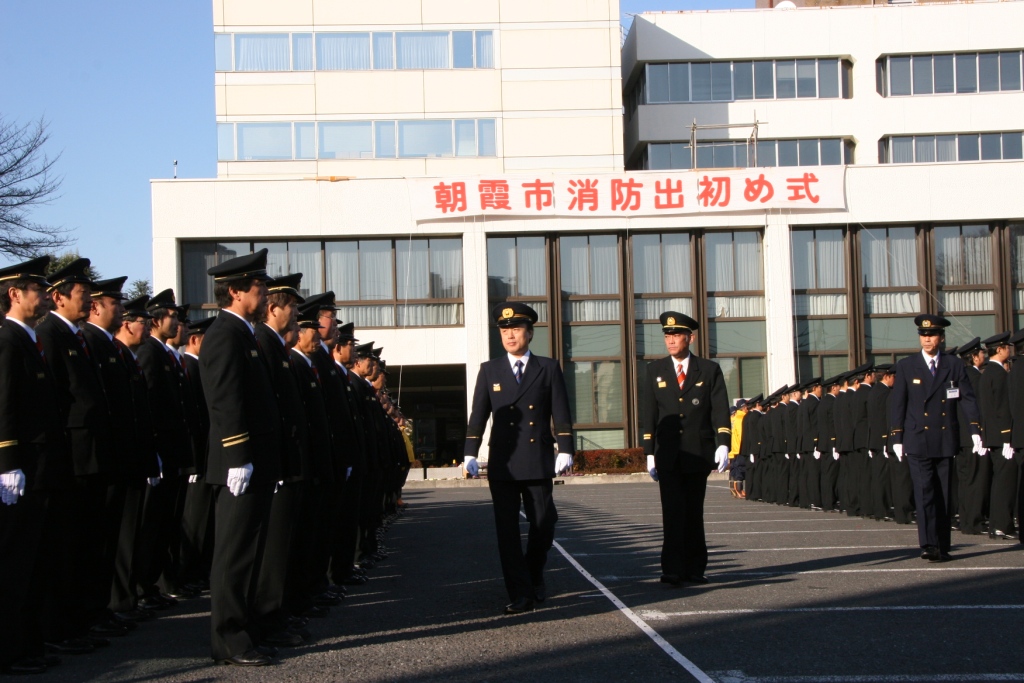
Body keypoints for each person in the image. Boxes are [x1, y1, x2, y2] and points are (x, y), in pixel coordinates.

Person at [464, 302, 574, 614]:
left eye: (515, 329)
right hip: (504, 461)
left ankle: (534, 572)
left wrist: (565, 447)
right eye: (504, 329)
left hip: (537, 458)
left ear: (529, 332)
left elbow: (561, 411)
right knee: (507, 530)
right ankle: (520, 591)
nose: (510, 335)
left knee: (543, 523)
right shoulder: (490, 370)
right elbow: (478, 415)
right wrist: (470, 452)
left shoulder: (548, 368)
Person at [200, 248, 282, 666]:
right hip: (239, 461)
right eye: (259, 286)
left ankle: (244, 631)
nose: (265, 292)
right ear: (235, 291)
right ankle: (228, 639)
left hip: (254, 459)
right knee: (233, 553)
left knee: (249, 550)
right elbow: (225, 399)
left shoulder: (243, 332)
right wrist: (238, 454)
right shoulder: (224, 335)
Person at [0, 257, 74, 675]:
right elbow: (5, 405)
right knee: (13, 565)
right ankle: (9, 650)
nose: (46, 295)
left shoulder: (28, 339)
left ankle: (28, 643)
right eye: (38, 289)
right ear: (14, 294)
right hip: (21, 468)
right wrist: (7, 460)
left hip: (41, 467)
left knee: (33, 563)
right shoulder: (7, 340)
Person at [641, 311, 730, 587]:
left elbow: (719, 410)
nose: (670, 341)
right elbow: (648, 413)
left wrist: (724, 442)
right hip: (667, 454)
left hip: (698, 451)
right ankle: (672, 569)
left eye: (676, 335)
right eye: (667, 336)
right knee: (672, 512)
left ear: (689, 338)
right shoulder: (654, 370)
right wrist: (649, 451)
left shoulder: (709, 369)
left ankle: (695, 568)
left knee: (693, 511)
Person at [890, 314, 982, 562]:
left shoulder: (953, 365)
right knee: (924, 492)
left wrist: (974, 429)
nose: (926, 339)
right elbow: (898, 403)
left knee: (944, 493)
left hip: (945, 437)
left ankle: (942, 543)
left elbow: (967, 399)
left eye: (931, 335)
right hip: (918, 438)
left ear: (941, 338)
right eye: (923, 335)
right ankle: (929, 544)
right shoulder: (907, 366)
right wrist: (896, 437)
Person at [975, 332, 1017, 540]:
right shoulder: (999, 374)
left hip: (992, 435)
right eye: (1006, 348)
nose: (1009, 351)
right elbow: (1002, 408)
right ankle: (1002, 524)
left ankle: (996, 523)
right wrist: (1007, 436)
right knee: (1005, 481)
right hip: (1002, 437)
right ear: (999, 350)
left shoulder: (987, 373)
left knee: (999, 480)